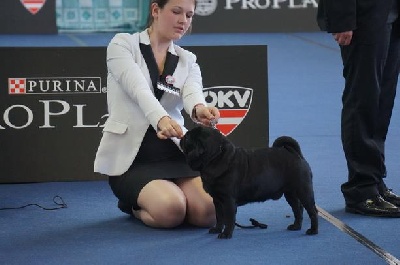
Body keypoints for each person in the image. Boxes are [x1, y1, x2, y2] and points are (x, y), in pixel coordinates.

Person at [94, 0, 220, 228]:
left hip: (173, 152)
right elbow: (138, 90)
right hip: (132, 160)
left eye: (190, 15)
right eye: (176, 11)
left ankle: (172, 197)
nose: (184, 21)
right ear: (155, 10)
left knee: (209, 211)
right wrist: (161, 119)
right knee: (171, 210)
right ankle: (133, 206)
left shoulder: (187, 60)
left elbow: (193, 94)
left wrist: (200, 110)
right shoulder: (122, 45)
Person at [317, 0, 400, 217]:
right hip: (363, 14)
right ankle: (361, 189)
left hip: (391, 12)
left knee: (382, 101)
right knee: (362, 99)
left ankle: (375, 182)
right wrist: (341, 18)